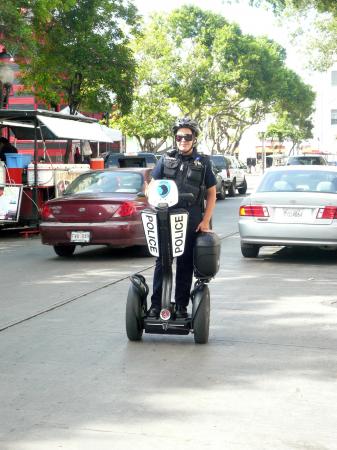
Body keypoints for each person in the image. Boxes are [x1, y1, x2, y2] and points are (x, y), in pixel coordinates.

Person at [148, 117, 217, 318]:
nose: (183, 140)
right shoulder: (165, 159)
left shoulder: (203, 163)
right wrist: (149, 195)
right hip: (165, 217)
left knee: (185, 263)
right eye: (179, 136)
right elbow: (152, 184)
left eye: (187, 136)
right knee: (162, 261)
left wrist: (205, 220)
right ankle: (156, 305)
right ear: (175, 138)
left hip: (190, 220)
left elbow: (212, 193)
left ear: (194, 139)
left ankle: (180, 306)